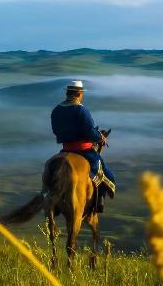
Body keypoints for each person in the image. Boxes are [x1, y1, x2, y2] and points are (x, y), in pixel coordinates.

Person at [50, 80, 116, 211]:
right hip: (83, 150)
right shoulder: (81, 110)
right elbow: (89, 131)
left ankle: (53, 199)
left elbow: (55, 131)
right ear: (79, 94)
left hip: (65, 149)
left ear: (68, 93)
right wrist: (100, 137)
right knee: (105, 173)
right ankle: (99, 202)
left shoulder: (56, 110)